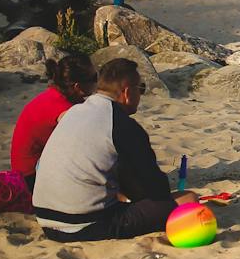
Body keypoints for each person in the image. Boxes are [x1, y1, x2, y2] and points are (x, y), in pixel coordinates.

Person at [31, 58, 176, 242]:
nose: (140, 95)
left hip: (46, 220)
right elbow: (155, 188)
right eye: (141, 89)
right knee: (182, 202)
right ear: (127, 92)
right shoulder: (122, 125)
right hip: (84, 224)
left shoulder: (74, 112)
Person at [9, 53, 99, 182]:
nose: (98, 81)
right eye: (94, 78)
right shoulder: (63, 110)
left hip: (26, 170)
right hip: (30, 177)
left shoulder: (56, 95)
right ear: (77, 87)